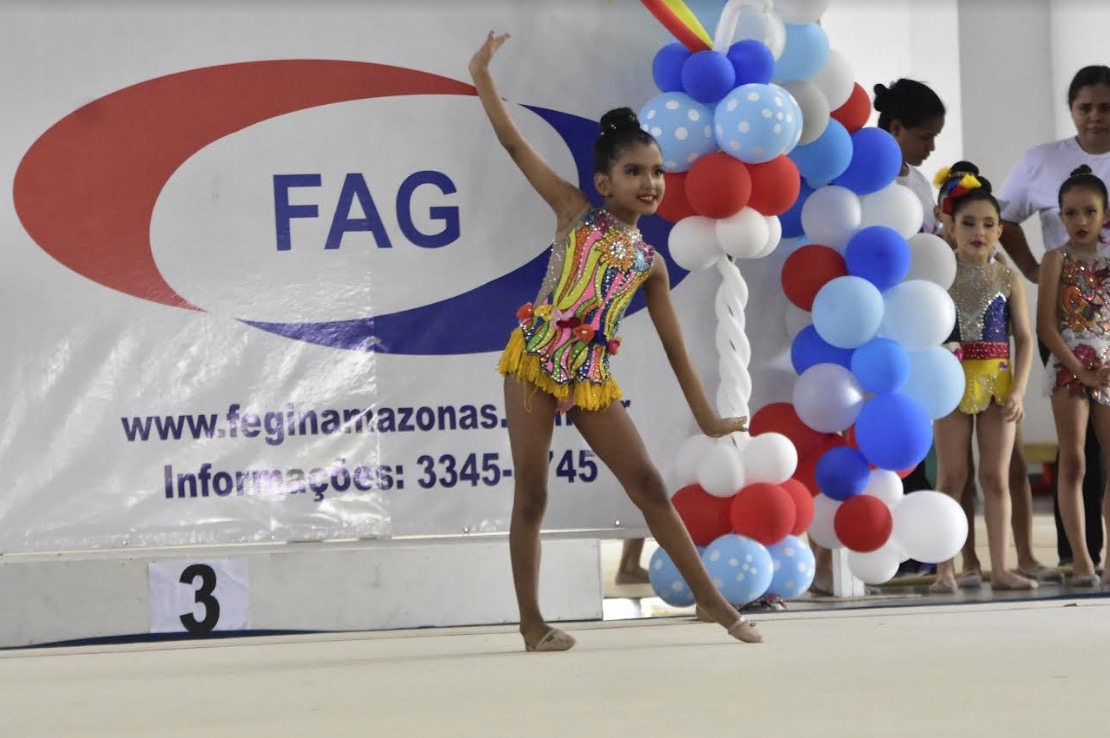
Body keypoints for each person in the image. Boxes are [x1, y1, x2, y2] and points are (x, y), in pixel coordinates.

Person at [469, 32, 761, 651]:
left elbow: (675, 349)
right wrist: (481, 76)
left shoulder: (650, 262)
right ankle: (531, 623)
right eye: (634, 172)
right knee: (533, 492)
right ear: (605, 181)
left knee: (650, 486)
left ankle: (713, 603)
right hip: (534, 363)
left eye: (656, 172)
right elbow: (514, 143)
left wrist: (709, 419)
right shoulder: (574, 212)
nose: (650, 183)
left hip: (591, 375)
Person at [999, 65, 1110, 569]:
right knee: (1078, 450)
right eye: (1085, 107)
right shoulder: (1044, 161)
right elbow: (1001, 219)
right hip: (1067, 327)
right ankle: (1079, 553)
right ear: (1072, 110)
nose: (1095, 117)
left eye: (1105, 107)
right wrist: (1037, 272)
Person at [931, 163, 1061, 589]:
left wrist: (1020, 389)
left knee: (996, 477)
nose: (979, 231)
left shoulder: (1006, 275)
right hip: (950, 382)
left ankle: (1002, 567)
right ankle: (945, 567)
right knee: (952, 476)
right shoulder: (938, 272)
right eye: (968, 222)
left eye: (989, 224)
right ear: (950, 226)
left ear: (1000, 231)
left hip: (997, 384)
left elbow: (1025, 337)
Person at [1036, 165, 1110, 587]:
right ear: (1060, 216)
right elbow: (1046, 324)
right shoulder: (1055, 259)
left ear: (1104, 215)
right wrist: (1078, 366)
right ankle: (1081, 559)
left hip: (1105, 367)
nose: (1080, 221)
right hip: (1069, 365)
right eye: (1071, 213)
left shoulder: (1107, 264)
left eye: (1089, 212)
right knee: (1075, 460)